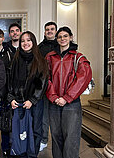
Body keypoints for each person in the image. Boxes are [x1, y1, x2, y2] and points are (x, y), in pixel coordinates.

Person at [46, 26, 92, 158]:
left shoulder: (78, 57)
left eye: (65, 36)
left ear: (71, 37)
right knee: (55, 136)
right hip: (54, 103)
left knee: (71, 137)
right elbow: (45, 78)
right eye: (60, 37)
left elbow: (83, 78)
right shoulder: (50, 57)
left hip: (71, 104)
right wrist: (54, 97)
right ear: (57, 39)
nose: (62, 39)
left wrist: (66, 97)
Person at [8, 31, 49, 157]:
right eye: (23, 41)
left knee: (35, 130)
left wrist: (32, 100)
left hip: (35, 102)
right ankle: (21, 154)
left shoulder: (40, 60)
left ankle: (32, 155)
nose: (25, 43)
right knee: (19, 130)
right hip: (18, 101)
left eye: (28, 40)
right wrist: (11, 98)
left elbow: (42, 82)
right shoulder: (15, 59)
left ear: (33, 42)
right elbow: (10, 80)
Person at [0, 28, 13, 158]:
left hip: (5, 93)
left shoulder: (9, 52)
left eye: (0, 36)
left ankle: (5, 147)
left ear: (3, 38)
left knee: (5, 122)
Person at [37, 21, 58, 151]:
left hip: (59, 87)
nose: (49, 31)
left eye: (52, 29)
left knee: (57, 117)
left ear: (55, 31)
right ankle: (43, 139)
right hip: (44, 87)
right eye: (47, 29)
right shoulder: (39, 48)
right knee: (44, 116)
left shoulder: (61, 46)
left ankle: (58, 141)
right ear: (44, 32)